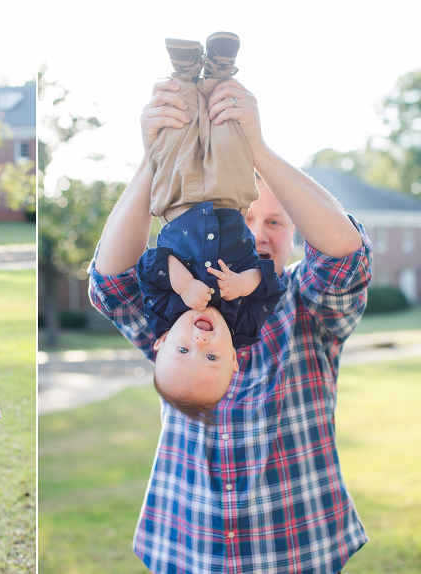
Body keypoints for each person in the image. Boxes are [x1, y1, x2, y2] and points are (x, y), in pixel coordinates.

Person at [89, 78, 372, 573]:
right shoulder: (176, 317)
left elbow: (346, 260)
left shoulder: (305, 304)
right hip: (187, 548)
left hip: (298, 551)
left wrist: (254, 149)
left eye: (276, 222)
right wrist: (151, 160)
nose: (254, 234)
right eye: (245, 217)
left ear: (296, 233)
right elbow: (110, 284)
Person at [139, 32, 286, 423]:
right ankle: (221, 74)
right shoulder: (246, 324)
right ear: (235, 361)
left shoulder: (164, 311)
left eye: (183, 350)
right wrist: (245, 284)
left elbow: (152, 264)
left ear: (164, 341)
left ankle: (183, 77)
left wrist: (184, 285)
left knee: (176, 134)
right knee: (228, 130)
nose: (199, 341)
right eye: (211, 356)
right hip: (231, 198)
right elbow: (271, 285)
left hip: (175, 200)